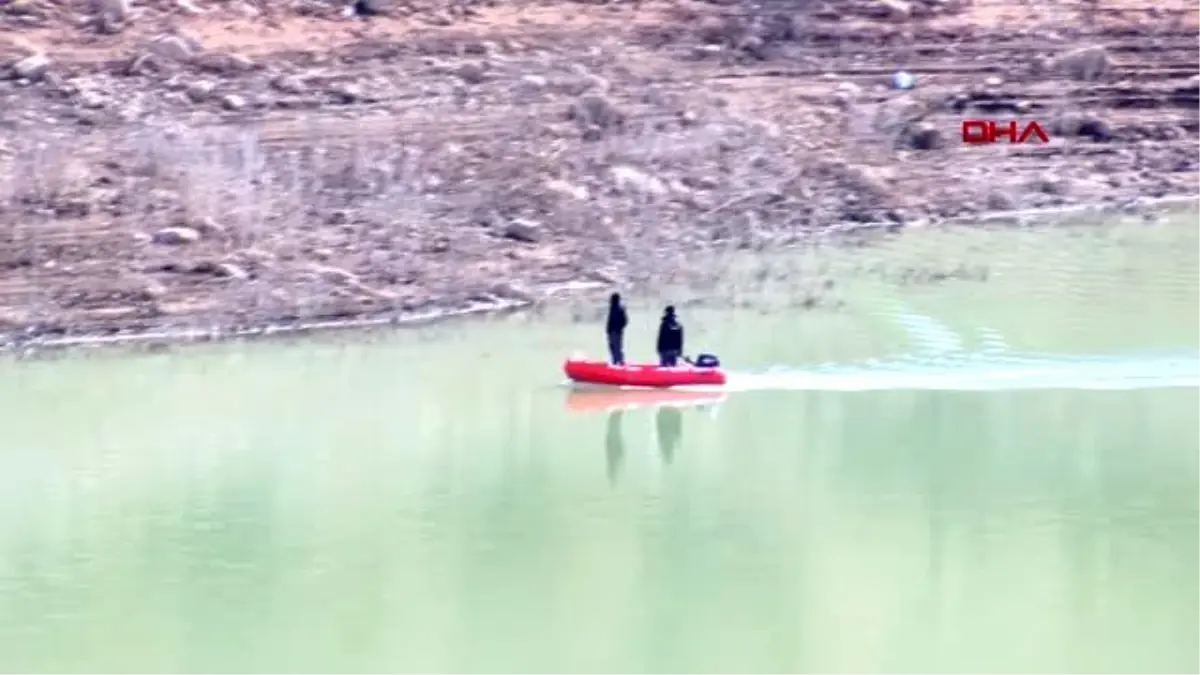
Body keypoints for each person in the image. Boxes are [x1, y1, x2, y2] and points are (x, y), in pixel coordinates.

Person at [605, 292, 628, 365]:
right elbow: (624, 321)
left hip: (615, 332)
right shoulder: (614, 308)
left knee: (616, 348)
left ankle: (620, 364)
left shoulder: (617, 309)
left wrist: (618, 328)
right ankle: (616, 363)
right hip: (614, 331)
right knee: (614, 348)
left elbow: (624, 321)